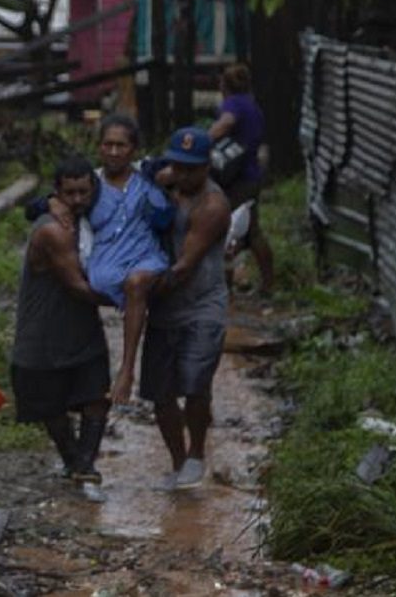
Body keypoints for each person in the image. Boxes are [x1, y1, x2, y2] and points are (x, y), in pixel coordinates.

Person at [39, 115, 176, 405]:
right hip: (107, 260)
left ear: (134, 148)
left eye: (121, 145)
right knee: (108, 288)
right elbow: (54, 199)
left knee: (137, 283)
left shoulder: (148, 175)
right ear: (99, 147)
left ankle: (127, 370)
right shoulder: (91, 183)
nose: (114, 152)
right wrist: (50, 201)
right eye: (108, 145)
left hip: (144, 254)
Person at [124, 126, 232, 491]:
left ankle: (197, 452)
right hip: (165, 308)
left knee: (196, 383)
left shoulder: (212, 206)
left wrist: (136, 291)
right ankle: (177, 461)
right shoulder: (165, 178)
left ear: (206, 167)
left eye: (192, 169)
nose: (182, 175)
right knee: (161, 391)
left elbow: (185, 266)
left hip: (201, 303)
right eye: (178, 166)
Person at [12, 156, 115, 497]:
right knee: (51, 407)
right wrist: (130, 297)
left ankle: (84, 465)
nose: (77, 199)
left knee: (97, 397)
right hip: (44, 334)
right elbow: (77, 286)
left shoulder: (88, 217)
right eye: (69, 193)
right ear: (58, 192)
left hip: (80, 329)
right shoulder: (53, 230)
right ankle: (75, 462)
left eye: (84, 192)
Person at [208, 63, 273, 294]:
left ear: (223, 84)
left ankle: (224, 287)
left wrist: (201, 140)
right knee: (252, 230)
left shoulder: (234, 104)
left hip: (235, 177)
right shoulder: (253, 106)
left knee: (227, 230)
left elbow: (226, 123)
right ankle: (267, 283)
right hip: (252, 175)